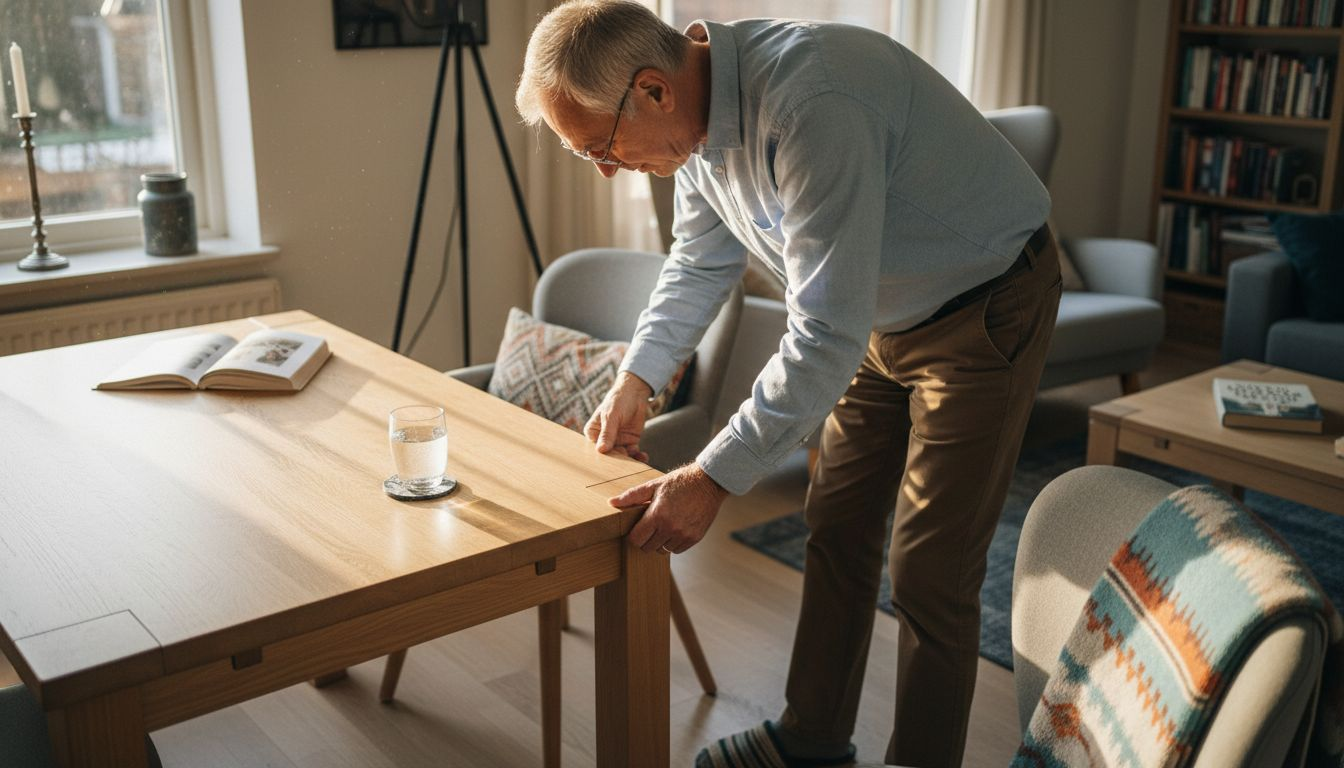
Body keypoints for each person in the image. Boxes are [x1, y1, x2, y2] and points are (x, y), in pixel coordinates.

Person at [515, 2, 1062, 766]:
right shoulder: (692, 127)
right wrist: (637, 378)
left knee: (931, 571)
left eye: (601, 147)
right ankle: (813, 741)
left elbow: (823, 333)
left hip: (984, 302)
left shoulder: (813, 103)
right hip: (872, 315)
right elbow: (700, 262)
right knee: (835, 523)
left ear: (653, 90)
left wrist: (711, 476)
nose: (608, 168)